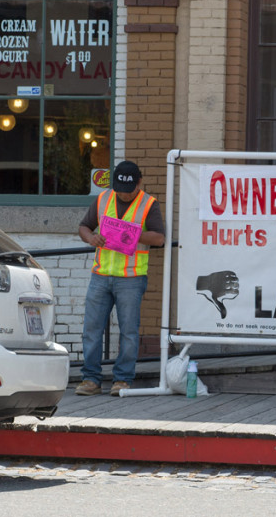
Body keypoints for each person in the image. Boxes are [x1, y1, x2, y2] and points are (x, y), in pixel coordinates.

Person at [75, 161, 166, 396]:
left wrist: (131, 234)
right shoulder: (104, 198)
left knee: (128, 331)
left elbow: (159, 238)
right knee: (91, 329)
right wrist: (90, 238)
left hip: (131, 277)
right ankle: (90, 379)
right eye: (120, 189)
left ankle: (123, 379)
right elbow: (84, 226)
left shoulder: (149, 204)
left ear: (139, 183)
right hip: (101, 274)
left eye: (129, 189)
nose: (124, 194)